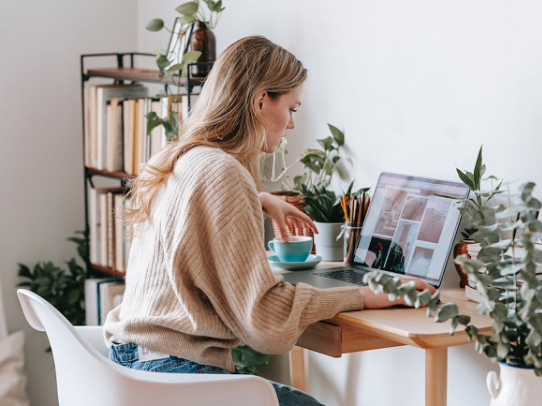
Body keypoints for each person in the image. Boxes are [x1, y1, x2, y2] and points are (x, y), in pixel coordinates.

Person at [104, 36, 435, 406]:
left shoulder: (182, 158)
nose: (292, 124)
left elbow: (196, 207)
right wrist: (364, 295)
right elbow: (264, 320)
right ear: (262, 101)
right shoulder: (223, 173)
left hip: (134, 366)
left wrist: (262, 200)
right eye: (292, 108)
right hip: (176, 377)